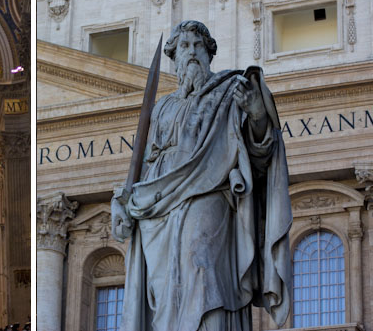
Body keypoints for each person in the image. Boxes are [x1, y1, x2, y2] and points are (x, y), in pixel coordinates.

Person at [111, 20, 292, 331]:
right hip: (159, 208)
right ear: (174, 57)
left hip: (209, 191)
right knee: (164, 287)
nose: (191, 52)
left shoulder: (229, 91)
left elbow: (258, 153)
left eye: (198, 46)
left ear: (209, 54)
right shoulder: (163, 107)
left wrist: (257, 114)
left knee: (202, 260)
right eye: (184, 46)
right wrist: (124, 200)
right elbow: (145, 163)